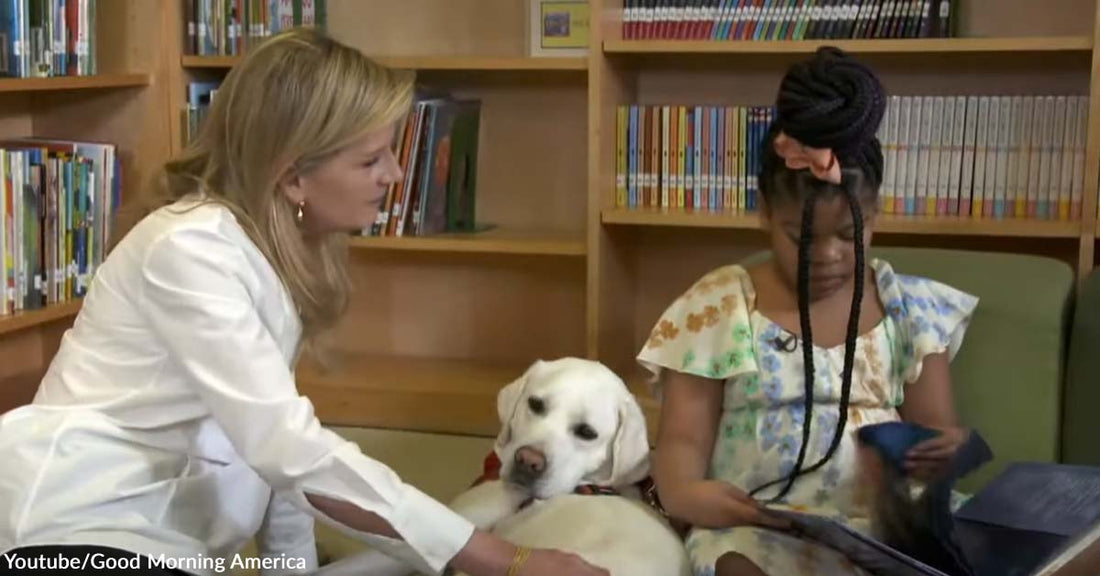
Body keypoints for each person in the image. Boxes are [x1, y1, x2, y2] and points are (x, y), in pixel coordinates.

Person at [0, 28, 608, 576]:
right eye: (371, 159)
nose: (395, 175)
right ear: (292, 177)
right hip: (75, 537)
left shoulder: (271, 254)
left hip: (168, 544)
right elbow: (289, 451)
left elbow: (279, 466)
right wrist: (506, 559)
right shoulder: (189, 249)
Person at [637, 46, 979, 576]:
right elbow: (682, 440)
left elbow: (936, 436)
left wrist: (940, 452)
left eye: (851, 233)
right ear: (764, 213)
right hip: (760, 527)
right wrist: (689, 493)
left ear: (878, 214)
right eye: (801, 237)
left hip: (884, 532)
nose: (828, 256)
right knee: (732, 565)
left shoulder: (910, 308)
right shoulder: (720, 306)